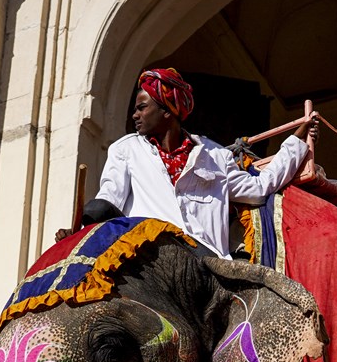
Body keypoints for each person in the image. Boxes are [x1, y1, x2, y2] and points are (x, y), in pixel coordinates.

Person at [56, 67, 318, 257]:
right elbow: (109, 201)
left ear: (167, 110)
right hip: (152, 254)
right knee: (98, 208)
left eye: (142, 107)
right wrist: (78, 234)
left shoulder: (215, 156)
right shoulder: (126, 149)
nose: (135, 115)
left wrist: (297, 141)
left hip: (207, 261)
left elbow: (261, 188)